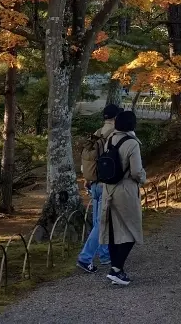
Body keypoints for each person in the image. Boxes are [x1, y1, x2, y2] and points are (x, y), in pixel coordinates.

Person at [98, 109, 145, 286]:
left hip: (108, 189)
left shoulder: (110, 138)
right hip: (125, 189)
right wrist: (144, 178)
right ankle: (116, 269)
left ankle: (116, 268)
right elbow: (136, 171)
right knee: (132, 229)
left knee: (113, 231)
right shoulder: (132, 143)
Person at [77, 102, 121, 273]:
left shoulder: (97, 133)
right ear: (116, 117)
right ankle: (85, 257)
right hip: (106, 184)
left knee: (98, 222)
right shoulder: (114, 135)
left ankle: (104, 255)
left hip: (93, 183)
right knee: (102, 224)